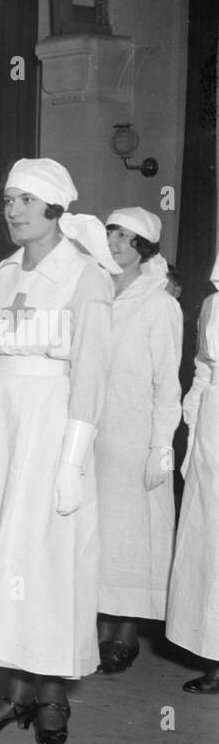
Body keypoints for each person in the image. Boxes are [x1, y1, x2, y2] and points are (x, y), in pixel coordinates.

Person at [0, 158, 115, 744]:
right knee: (0, 553)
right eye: (8, 200)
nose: (10, 210)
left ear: (55, 210)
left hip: (50, 421)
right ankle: (15, 692)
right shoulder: (1, 274)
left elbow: (91, 374)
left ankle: (54, 697)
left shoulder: (85, 277)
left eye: (22, 201)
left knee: (44, 558)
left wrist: (71, 461)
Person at [93, 208, 182, 673]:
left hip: (136, 436)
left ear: (144, 247)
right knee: (100, 533)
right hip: (95, 431)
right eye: (111, 233)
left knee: (132, 537)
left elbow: (168, 384)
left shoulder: (159, 303)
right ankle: (98, 624)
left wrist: (161, 448)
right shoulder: (94, 291)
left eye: (127, 237)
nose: (115, 243)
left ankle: (125, 630)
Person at [166, 251, 219, 694]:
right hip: (213, 431)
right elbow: (203, 369)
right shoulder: (212, 305)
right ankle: (215, 653)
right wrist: (195, 426)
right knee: (210, 546)